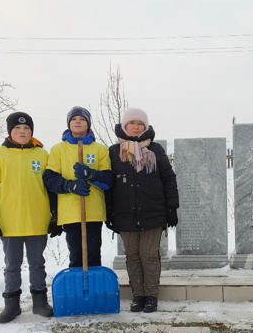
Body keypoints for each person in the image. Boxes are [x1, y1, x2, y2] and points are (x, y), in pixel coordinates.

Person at [0, 111, 61, 323]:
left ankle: (40, 302)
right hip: (9, 222)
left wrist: (55, 216)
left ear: (31, 132)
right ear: (10, 132)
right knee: (12, 265)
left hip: (37, 220)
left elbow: (52, 189)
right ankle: (12, 305)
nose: (22, 132)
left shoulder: (42, 155)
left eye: (26, 129)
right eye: (18, 128)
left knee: (37, 263)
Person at [105, 108, 179, 314]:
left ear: (145, 127)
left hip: (153, 214)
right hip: (125, 215)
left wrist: (172, 207)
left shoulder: (156, 150)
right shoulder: (113, 152)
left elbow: (168, 179)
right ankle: (138, 295)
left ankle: (151, 296)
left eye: (140, 124)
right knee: (132, 257)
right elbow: (109, 185)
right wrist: (109, 212)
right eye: (132, 123)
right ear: (124, 126)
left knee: (149, 256)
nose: (136, 127)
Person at [43, 107, 113, 269]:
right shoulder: (58, 150)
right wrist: (70, 185)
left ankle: (94, 288)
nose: (78, 122)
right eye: (74, 119)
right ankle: (77, 287)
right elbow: (50, 179)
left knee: (94, 255)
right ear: (69, 123)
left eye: (82, 119)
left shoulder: (99, 149)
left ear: (88, 124)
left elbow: (108, 181)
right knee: (76, 255)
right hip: (70, 213)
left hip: (93, 212)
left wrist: (91, 175)